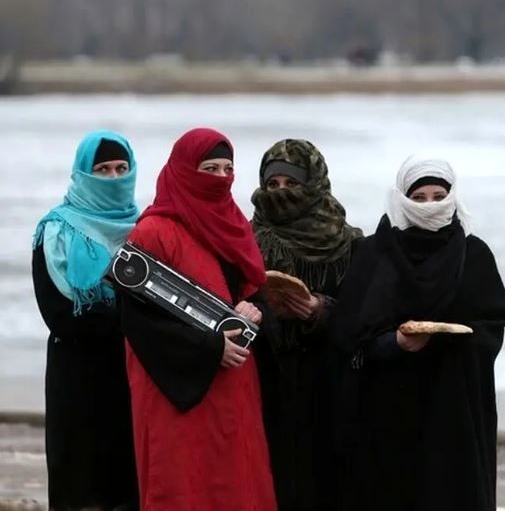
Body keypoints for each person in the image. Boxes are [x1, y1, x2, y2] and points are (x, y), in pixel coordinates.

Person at [330, 156, 505, 511]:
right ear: (402, 198)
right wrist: (394, 343)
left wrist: (454, 340)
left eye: (438, 196)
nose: (430, 205)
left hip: (453, 404)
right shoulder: (374, 253)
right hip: (384, 407)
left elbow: (492, 324)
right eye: (419, 197)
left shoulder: (474, 254)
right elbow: (350, 332)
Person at [119, 128, 277, 511]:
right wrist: (210, 348)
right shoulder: (152, 232)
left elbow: (252, 290)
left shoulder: (234, 225)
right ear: (184, 170)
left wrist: (255, 311)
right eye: (210, 169)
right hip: (176, 387)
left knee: (236, 480)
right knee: (182, 481)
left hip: (234, 380)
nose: (221, 178)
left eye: (227, 169)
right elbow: (138, 320)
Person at [250, 139, 362, 511]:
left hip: (328, 385)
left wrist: (320, 310)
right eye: (273, 184)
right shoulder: (244, 241)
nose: (281, 193)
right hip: (267, 381)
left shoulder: (349, 243)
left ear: (313, 183)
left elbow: (366, 314)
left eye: (292, 183)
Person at [31, 130, 140, 511]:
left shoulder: (147, 230)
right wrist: (130, 320)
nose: (113, 177)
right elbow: (60, 316)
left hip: (132, 378)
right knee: (79, 487)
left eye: (121, 169)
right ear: (83, 173)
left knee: (130, 486)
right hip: (77, 379)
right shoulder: (56, 231)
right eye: (103, 169)